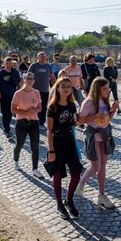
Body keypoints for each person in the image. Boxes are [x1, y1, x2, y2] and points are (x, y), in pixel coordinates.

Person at [76, 77, 119, 209]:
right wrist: (95, 116)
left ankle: (102, 195)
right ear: (97, 88)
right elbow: (80, 121)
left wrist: (113, 110)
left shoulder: (105, 101)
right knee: (96, 166)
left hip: (105, 135)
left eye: (108, 88)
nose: (108, 91)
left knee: (103, 165)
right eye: (105, 88)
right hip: (93, 135)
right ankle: (82, 182)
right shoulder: (88, 102)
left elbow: (107, 120)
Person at [47, 77, 84, 219]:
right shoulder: (53, 107)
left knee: (76, 173)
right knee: (57, 174)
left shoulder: (71, 104)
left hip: (69, 141)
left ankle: (68, 200)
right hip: (56, 143)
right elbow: (49, 131)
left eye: (68, 86)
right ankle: (59, 204)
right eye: (63, 86)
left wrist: (77, 121)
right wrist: (51, 151)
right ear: (57, 88)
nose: (67, 88)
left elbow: (72, 123)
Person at [11, 72, 42, 178]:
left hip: (34, 122)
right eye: (28, 78)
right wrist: (25, 113)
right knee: (19, 144)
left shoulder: (36, 92)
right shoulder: (18, 93)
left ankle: (35, 169)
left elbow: (40, 108)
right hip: (21, 122)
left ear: (34, 81)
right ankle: (16, 161)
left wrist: (35, 110)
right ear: (24, 80)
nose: (30, 80)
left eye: (31, 79)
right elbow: (13, 109)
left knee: (35, 147)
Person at [0, 57, 21, 138]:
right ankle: (6, 130)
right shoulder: (0, 73)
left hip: (13, 97)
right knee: (4, 113)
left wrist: (19, 94)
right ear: (4, 63)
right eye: (7, 63)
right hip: (3, 97)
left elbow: (19, 84)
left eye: (10, 63)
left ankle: (7, 129)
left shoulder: (15, 72)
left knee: (10, 113)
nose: (8, 65)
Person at [28, 52, 56, 127]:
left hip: (45, 91)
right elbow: (28, 77)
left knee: (43, 107)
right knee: (34, 106)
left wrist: (56, 86)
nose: (43, 58)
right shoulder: (33, 66)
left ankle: (41, 122)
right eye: (41, 56)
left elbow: (52, 77)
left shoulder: (48, 66)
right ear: (38, 57)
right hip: (34, 90)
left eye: (44, 56)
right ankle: (33, 121)